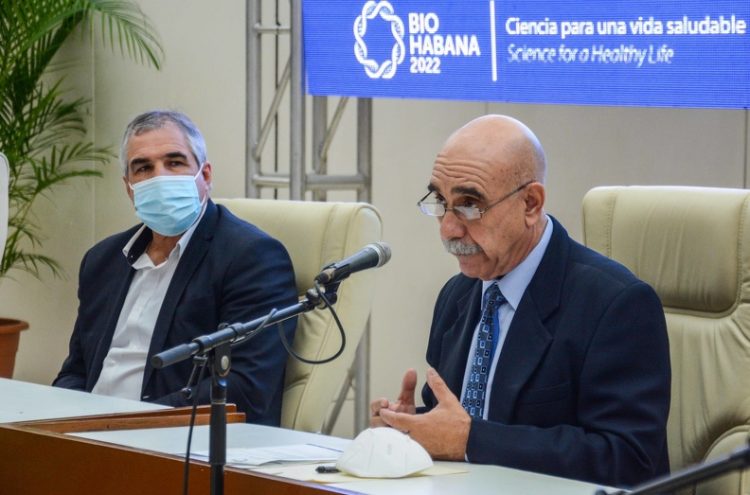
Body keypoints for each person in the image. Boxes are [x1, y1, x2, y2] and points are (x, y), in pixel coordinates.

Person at [371, 115, 671, 487]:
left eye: (469, 205)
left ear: (530, 203)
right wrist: (410, 426)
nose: (448, 228)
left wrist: (471, 440)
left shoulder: (616, 305)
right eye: (440, 201)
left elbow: (626, 459)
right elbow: (455, 423)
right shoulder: (458, 295)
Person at [54, 110, 297, 425]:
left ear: (205, 176)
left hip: (175, 444)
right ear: (129, 187)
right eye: (143, 168)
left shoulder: (252, 257)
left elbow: (245, 387)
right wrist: (58, 415)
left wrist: (128, 422)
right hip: (91, 436)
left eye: (175, 162)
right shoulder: (102, 260)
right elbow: (77, 370)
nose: (160, 177)